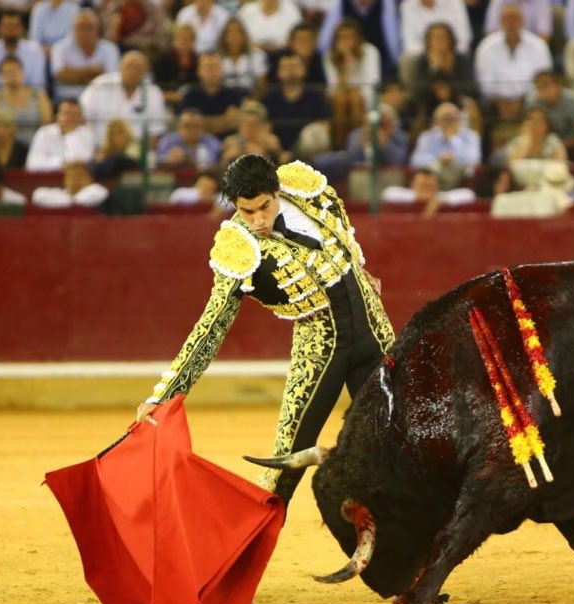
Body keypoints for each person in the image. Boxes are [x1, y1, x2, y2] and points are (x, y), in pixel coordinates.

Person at [136, 154, 396, 504]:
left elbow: (340, 228)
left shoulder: (304, 188)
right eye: (247, 211)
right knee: (284, 466)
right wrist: (164, 394)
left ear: (277, 190)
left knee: (398, 442)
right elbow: (212, 324)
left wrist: (359, 267)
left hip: (374, 329)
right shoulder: (239, 248)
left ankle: (407, 548)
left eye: (264, 206)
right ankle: (243, 554)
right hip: (320, 350)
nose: (258, 220)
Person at [474, 1, 553, 132]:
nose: (511, 23)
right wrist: (501, 102)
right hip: (495, 104)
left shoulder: (539, 46)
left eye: (515, 18)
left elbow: (542, 80)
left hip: (529, 101)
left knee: (541, 104)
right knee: (480, 107)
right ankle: (485, 150)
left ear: (523, 20)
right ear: (499, 21)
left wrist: (521, 102)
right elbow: (484, 83)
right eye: (506, 19)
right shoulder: (486, 47)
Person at [78, 49, 168, 147]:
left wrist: (138, 151)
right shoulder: (99, 85)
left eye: (138, 68)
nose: (133, 72)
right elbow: (81, 118)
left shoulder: (154, 93)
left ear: (146, 70)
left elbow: (156, 132)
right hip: (99, 148)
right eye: (129, 66)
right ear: (120, 66)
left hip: (136, 152)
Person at [323, 18, 381, 148]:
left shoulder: (370, 52)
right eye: (342, 38)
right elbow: (333, 88)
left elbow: (372, 84)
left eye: (350, 37)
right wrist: (344, 62)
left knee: (354, 97)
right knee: (341, 99)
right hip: (339, 99)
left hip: (363, 100)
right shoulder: (329, 56)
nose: (347, 42)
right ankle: (339, 145)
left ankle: (355, 146)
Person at [261, 51, 329, 151]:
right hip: (277, 149)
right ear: (278, 72)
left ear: (303, 70)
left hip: (308, 148)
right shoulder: (269, 97)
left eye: (294, 66)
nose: (290, 71)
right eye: (286, 67)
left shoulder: (315, 95)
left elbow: (324, 125)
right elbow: (265, 127)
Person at [50, 9, 121, 102]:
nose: (85, 31)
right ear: (73, 29)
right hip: (67, 99)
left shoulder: (110, 49)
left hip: (101, 99)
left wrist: (72, 74)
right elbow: (60, 76)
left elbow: (110, 79)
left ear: (98, 29)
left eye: (89, 27)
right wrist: (94, 72)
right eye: (81, 27)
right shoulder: (60, 48)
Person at [409, 101, 481, 185]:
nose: (448, 122)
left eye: (451, 118)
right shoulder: (427, 136)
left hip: (460, 178)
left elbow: (474, 160)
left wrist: (453, 139)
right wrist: (438, 159)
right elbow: (415, 161)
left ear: (459, 119)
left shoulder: (471, 136)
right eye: (444, 118)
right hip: (433, 176)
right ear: (436, 121)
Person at [179, 51, 247, 138]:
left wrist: (202, 122)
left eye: (216, 66)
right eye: (208, 67)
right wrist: (224, 120)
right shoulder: (190, 95)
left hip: (228, 142)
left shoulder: (234, 94)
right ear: (199, 71)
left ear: (222, 70)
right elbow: (188, 125)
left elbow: (236, 123)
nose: (212, 71)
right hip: (197, 141)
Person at [25, 97, 96, 170]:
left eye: (75, 115)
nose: (70, 118)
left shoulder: (87, 134)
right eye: (67, 114)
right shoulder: (44, 133)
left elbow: (81, 163)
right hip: (47, 178)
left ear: (81, 118)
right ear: (57, 115)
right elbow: (32, 164)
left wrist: (70, 135)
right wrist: (60, 163)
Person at [0, 55, 52, 143]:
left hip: (35, 145)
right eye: (8, 72)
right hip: (6, 147)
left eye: (15, 70)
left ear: (23, 72)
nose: (12, 75)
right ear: (0, 76)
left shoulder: (39, 95)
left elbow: (47, 124)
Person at [381, 166, 477, 215]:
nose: (426, 189)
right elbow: (387, 193)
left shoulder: (441, 196)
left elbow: (469, 194)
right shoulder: (406, 195)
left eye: (430, 186)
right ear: (412, 185)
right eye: (423, 185)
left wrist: (440, 200)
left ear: (437, 187)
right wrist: (422, 197)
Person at [220, 99, 285, 165]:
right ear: (239, 125)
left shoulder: (271, 142)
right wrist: (226, 158)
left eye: (254, 124)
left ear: (261, 125)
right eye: (245, 124)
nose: (249, 128)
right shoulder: (230, 142)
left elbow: (281, 166)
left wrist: (263, 155)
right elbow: (219, 170)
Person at [0, 12, 46, 91]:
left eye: (14, 26)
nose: (10, 30)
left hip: (28, 97)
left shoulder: (34, 50)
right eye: (7, 26)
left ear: (21, 28)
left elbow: (38, 84)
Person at [156, 108, 222, 169]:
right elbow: (158, 160)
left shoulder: (212, 142)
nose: (192, 130)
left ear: (203, 128)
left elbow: (212, 163)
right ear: (178, 127)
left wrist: (186, 160)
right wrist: (168, 159)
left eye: (196, 126)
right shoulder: (168, 140)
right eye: (187, 126)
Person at [217, 18, 268, 95]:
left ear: (244, 35)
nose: (233, 36)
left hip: (250, 99)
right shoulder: (216, 58)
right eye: (229, 32)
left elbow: (262, 86)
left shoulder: (256, 56)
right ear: (224, 37)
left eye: (237, 32)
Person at [154, 24, 200, 108]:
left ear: (193, 41)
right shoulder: (163, 60)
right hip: (167, 103)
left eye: (188, 38)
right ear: (174, 40)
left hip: (194, 104)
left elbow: (202, 88)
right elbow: (156, 88)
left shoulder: (199, 61)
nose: (184, 41)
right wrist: (172, 96)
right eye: (181, 38)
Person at [31, 160, 110, 207]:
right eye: (70, 176)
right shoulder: (60, 193)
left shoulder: (96, 189)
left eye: (79, 175)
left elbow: (100, 193)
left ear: (89, 178)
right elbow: (38, 195)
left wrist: (71, 202)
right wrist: (70, 201)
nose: (74, 179)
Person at [237, 0, 303, 54]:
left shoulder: (292, 12)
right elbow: (237, 35)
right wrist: (255, 47)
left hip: (283, 54)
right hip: (252, 55)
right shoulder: (246, 11)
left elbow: (298, 36)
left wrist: (277, 47)